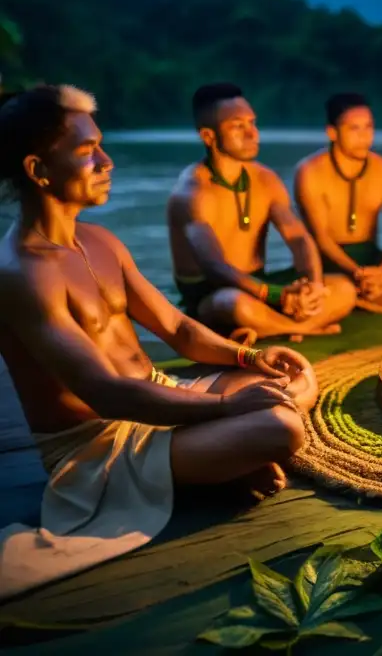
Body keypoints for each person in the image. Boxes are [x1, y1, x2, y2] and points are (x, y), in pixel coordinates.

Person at [0, 85, 319, 599]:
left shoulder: (102, 242)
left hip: (161, 395)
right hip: (99, 448)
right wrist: (223, 408)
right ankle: (217, 465)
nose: (106, 161)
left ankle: (216, 463)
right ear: (38, 170)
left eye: (101, 145)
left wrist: (252, 356)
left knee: (289, 380)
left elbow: (179, 329)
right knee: (282, 424)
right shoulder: (21, 272)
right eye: (86, 152)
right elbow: (106, 392)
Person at [168, 83, 356, 341]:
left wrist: (313, 286)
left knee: (345, 289)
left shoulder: (266, 179)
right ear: (209, 137)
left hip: (261, 285)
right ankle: (305, 327)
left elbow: (298, 238)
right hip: (213, 293)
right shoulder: (192, 192)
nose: (252, 134)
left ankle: (278, 325)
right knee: (236, 306)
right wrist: (278, 296)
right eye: (238, 126)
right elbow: (215, 267)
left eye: (253, 123)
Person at [294, 92, 382, 313]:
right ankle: (366, 299)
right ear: (332, 132)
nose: (364, 136)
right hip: (328, 258)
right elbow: (321, 237)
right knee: (338, 286)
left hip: (371, 256)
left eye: (369, 127)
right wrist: (358, 272)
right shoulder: (309, 171)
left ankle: (368, 303)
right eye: (354, 128)